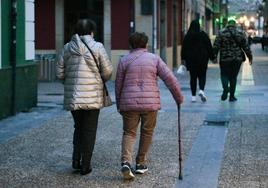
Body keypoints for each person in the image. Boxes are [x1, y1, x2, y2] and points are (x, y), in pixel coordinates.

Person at [115, 32, 184, 180]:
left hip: (129, 103)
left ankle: (126, 161)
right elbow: (170, 79)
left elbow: (118, 85)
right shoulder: (154, 59)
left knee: (129, 133)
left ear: (131, 45)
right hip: (150, 104)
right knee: (147, 132)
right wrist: (178, 97)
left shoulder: (124, 60)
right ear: (145, 44)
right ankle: (140, 163)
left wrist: (120, 104)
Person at [56, 19, 113, 175]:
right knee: (89, 130)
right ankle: (85, 165)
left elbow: (59, 73)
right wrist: (97, 80)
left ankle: (76, 160)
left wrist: (70, 84)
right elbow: (107, 72)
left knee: (78, 128)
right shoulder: (98, 47)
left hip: (73, 97)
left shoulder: (67, 48)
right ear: (91, 32)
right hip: (93, 97)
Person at [213, 19, 252, 102]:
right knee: (233, 77)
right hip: (237, 59)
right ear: (235, 25)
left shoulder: (221, 32)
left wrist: (214, 57)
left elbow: (216, 46)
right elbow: (246, 46)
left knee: (224, 75)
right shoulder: (240, 33)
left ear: (227, 24)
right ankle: (232, 96)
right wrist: (250, 56)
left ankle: (226, 89)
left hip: (224, 59)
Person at [181, 20, 214, 103]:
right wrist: (212, 57)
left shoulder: (188, 36)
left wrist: (183, 58)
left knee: (193, 77)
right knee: (202, 75)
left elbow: (184, 48)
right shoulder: (203, 35)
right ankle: (201, 90)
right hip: (203, 59)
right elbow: (209, 46)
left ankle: (193, 97)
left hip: (191, 60)